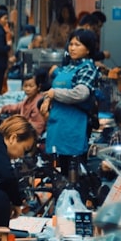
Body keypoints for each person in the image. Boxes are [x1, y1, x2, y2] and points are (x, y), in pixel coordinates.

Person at [40, 28, 102, 179]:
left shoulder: (87, 68)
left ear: (88, 49)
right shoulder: (68, 67)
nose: (72, 48)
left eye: (78, 45)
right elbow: (55, 88)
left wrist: (54, 94)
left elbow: (81, 93)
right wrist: (48, 99)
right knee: (61, 168)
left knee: (74, 169)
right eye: (71, 44)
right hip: (59, 124)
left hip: (75, 126)